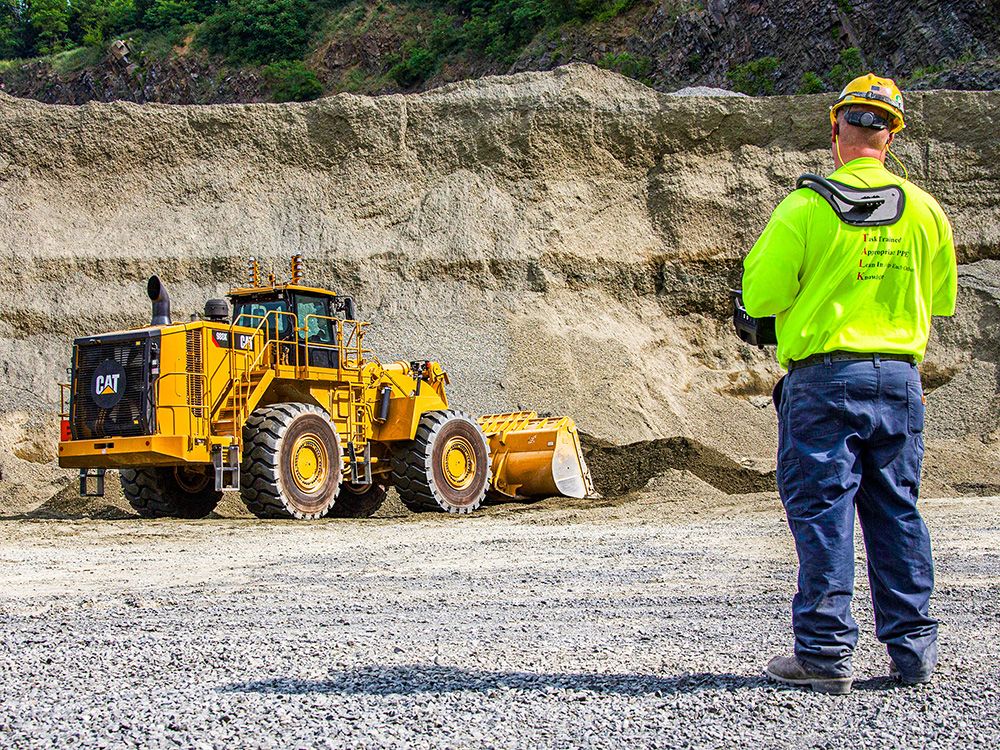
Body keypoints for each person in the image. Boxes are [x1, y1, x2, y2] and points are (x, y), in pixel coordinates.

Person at [741, 74, 957, 695]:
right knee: (896, 510)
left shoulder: (806, 207)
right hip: (898, 379)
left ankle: (824, 655)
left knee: (823, 513)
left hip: (823, 381)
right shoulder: (925, 211)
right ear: (891, 135)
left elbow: (761, 296)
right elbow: (940, 299)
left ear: (836, 128)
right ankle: (912, 653)